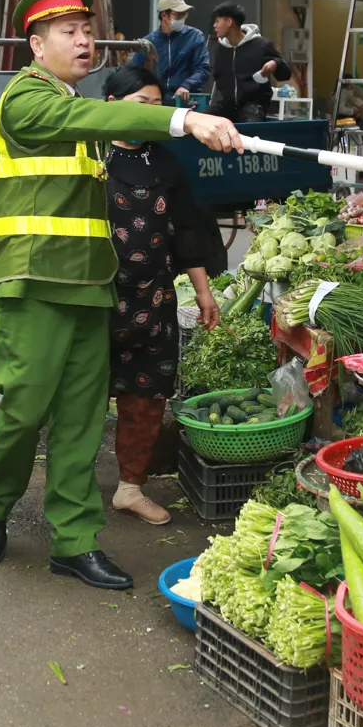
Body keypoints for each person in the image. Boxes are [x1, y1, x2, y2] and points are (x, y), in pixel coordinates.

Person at [0, 0, 241, 590]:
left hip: (90, 291)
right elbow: (104, 119)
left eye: (87, 29)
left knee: (79, 420)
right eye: (67, 30)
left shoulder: (75, 109)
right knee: (24, 413)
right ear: (36, 45)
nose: (83, 40)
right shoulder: (25, 99)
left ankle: (74, 540)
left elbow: (114, 131)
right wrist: (180, 120)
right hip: (32, 286)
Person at [98, 65, 219, 526]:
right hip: (98, 299)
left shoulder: (166, 162)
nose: (152, 112)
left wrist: (204, 293)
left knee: (146, 395)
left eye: (157, 103)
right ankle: (70, 487)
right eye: (141, 103)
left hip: (154, 298)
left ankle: (130, 488)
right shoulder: (87, 153)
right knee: (85, 394)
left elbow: (187, 233)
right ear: (110, 106)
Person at [207, 2, 291, 122]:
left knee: (250, 124)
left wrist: (276, 63)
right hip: (228, 104)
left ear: (229, 22)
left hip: (253, 106)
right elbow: (219, 76)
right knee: (203, 119)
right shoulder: (221, 49)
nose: (214, 26)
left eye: (217, 21)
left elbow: (286, 74)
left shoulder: (261, 45)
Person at [128, 0, 209, 106]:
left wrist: (186, 85)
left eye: (184, 14)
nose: (182, 18)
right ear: (164, 15)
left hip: (187, 100)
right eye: (178, 14)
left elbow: (202, 69)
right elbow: (134, 73)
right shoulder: (148, 42)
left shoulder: (195, 36)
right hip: (157, 101)